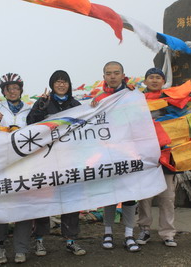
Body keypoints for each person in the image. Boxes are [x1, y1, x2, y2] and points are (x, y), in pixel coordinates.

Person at [26, 70, 86, 257]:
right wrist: (40, 109)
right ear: (52, 84)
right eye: (57, 82)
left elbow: (86, 126)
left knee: (71, 200)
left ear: (69, 84)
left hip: (70, 160)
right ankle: (40, 241)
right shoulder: (43, 102)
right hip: (47, 160)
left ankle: (71, 240)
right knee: (44, 199)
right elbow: (30, 124)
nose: (61, 85)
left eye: (64, 82)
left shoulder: (76, 105)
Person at [92, 61, 141, 253]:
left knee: (129, 196)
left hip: (129, 153)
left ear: (123, 74)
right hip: (107, 154)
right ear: (103, 76)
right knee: (109, 195)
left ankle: (129, 234)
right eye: (108, 73)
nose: (112, 76)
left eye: (116, 73)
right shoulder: (98, 99)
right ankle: (108, 232)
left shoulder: (132, 95)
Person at [0, 73, 33, 264]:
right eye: (8, 89)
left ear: (21, 90)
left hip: (24, 165)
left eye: (15, 88)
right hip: (2, 166)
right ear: (3, 92)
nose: (12, 92)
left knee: (24, 207)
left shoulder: (30, 110)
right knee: (1, 206)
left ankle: (21, 248)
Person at [136, 67, 178, 247]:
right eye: (151, 77)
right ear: (145, 81)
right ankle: (144, 229)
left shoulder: (171, 100)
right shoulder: (136, 100)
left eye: (158, 77)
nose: (154, 80)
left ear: (163, 81)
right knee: (145, 196)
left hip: (167, 154)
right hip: (145, 155)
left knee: (167, 196)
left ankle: (167, 232)